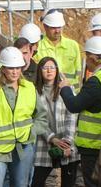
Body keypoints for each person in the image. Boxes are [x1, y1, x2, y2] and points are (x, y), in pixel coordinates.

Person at [0, 46, 47, 187]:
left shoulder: (30, 88)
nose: (15, 72)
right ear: (3, 69)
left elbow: (42, 116)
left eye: (18, 68)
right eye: (11, 68)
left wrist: (32, 131)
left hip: (23, 148)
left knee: (20, 184)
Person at [59, 36, 101, 187]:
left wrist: (65, 88)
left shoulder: (96, 81)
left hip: (93, 145)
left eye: (87, 56)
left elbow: (74, 105)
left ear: (92, 58)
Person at [31, 56, 79, 187]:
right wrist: (52, 138)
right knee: (36, 182)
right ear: (39, 70)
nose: (49, 70)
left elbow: (72, 114)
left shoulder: (67, 89)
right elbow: (35, 119)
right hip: (44, 141)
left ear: (57, 70)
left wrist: (67, 141)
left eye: (52, 67)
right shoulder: (32, 91)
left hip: (66, 142)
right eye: (45, 67)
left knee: (68, 182)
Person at [33, 10, 83, 89]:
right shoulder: (38, 47)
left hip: (70, 93)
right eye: (53, 28)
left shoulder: (73, 45)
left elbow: (78, 74)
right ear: (45, 26)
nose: (57, 31)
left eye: (59, 27)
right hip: (47, 94)